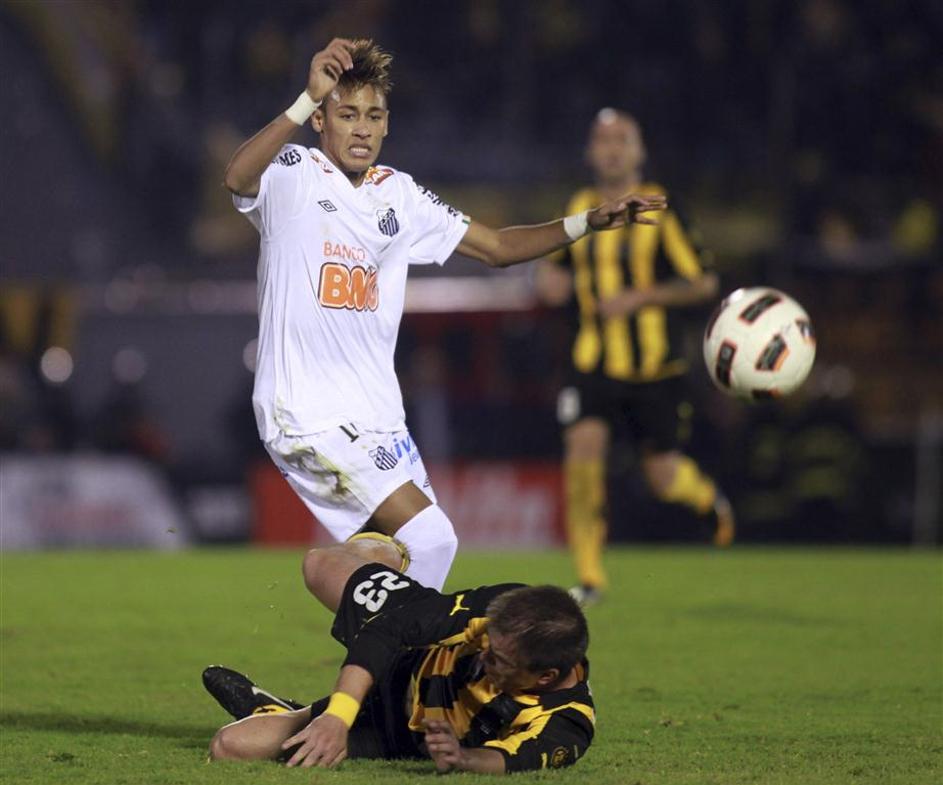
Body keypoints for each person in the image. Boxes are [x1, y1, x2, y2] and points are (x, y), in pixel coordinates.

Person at [224, 39, 666, 591]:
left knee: (404, 568)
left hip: (379, 418)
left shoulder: (400, 197)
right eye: (346, 114)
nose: (361, 128)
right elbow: (238, 178)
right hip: (308, 411)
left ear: (387, 126)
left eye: (374, 116)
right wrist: (299, 100)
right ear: (320, 119)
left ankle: (365, 672)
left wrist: (585, 224)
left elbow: (498, 248)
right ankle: (385, 668)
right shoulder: (295, 172)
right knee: (434, 539)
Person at [537, 109, 734, 606]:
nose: (612, 149)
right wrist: (550, 281)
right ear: (589, 153)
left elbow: (704, 283)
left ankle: (709, 500)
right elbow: (556, 271)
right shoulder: (579, 205)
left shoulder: (663, 210)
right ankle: (589, 576)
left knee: (664, 477)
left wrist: (641, 297)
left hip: (655, 368)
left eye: (622, 139)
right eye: (602, 140)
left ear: (639, 152)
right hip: (591, 365)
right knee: (582, 455)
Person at [203, 538, 594, 774]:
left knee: (229, 747)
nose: (482, 659)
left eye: (499, 663)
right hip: (413, 652)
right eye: (487, 645)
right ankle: (387, 547)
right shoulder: (502, 608)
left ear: (545, 677)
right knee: (319, 564)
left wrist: (462, 758)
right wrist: (339, 717)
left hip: (395, 731)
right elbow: (387, 628)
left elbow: (511, 762)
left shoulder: (567, 724)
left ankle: (287, 713)